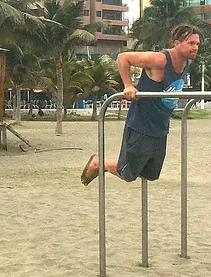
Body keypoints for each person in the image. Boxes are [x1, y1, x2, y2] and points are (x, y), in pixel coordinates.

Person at [80, 24, 202, 186]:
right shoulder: (160, 60)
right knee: (128, 173)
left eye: (197, 44)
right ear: (177, 43)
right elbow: (124, 58)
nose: (195, 48)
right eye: (191, 43)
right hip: (141, 124)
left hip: (160, 126)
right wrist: (128, 85)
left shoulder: (187, 62)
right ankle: (99, 163)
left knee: (150, 174)